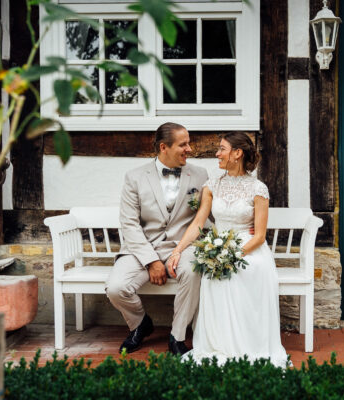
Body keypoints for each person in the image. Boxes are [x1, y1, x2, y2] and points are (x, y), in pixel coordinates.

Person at [166, 132, 288, 367]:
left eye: (222, 149)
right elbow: (198, 223)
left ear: (237, 153)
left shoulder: (258, 189)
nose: (217, 154)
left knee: (245, 271)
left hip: (248, 249)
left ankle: (249, 343)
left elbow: (260, 236)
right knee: (215, 272)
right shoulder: (212, 185)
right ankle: (219, 344)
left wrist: (232, 255)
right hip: (218, 247)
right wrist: (178, 250)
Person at [105, 122, 208, 355]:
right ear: (164, 147)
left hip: (183, 246)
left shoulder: (200, 175)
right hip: (142, 246)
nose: (189, 149)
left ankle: (177, 335)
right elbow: (129, 224)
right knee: (116, 287)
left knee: (193, 270)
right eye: (183, 144)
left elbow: (207, 214)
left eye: (188, 143)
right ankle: (140, 324)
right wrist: (151, 261)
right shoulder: (134, 177)